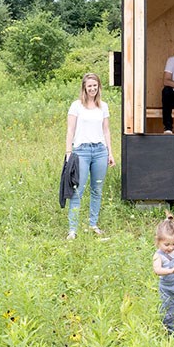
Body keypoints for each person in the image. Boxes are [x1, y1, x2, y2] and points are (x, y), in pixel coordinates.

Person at [64, 72, 115, 240]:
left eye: (95, 85)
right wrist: (68, 152)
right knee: (78, 190)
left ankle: (93, 224)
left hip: (99, 150)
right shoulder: (76, 106)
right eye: (89, 86)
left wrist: (110, 152)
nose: (92, 89)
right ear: (84, 88)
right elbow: (70, 130)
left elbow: (106, 130)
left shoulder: (103, 106)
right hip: (81, 151)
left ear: (99, 87)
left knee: (97, 189)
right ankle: (73, 229)